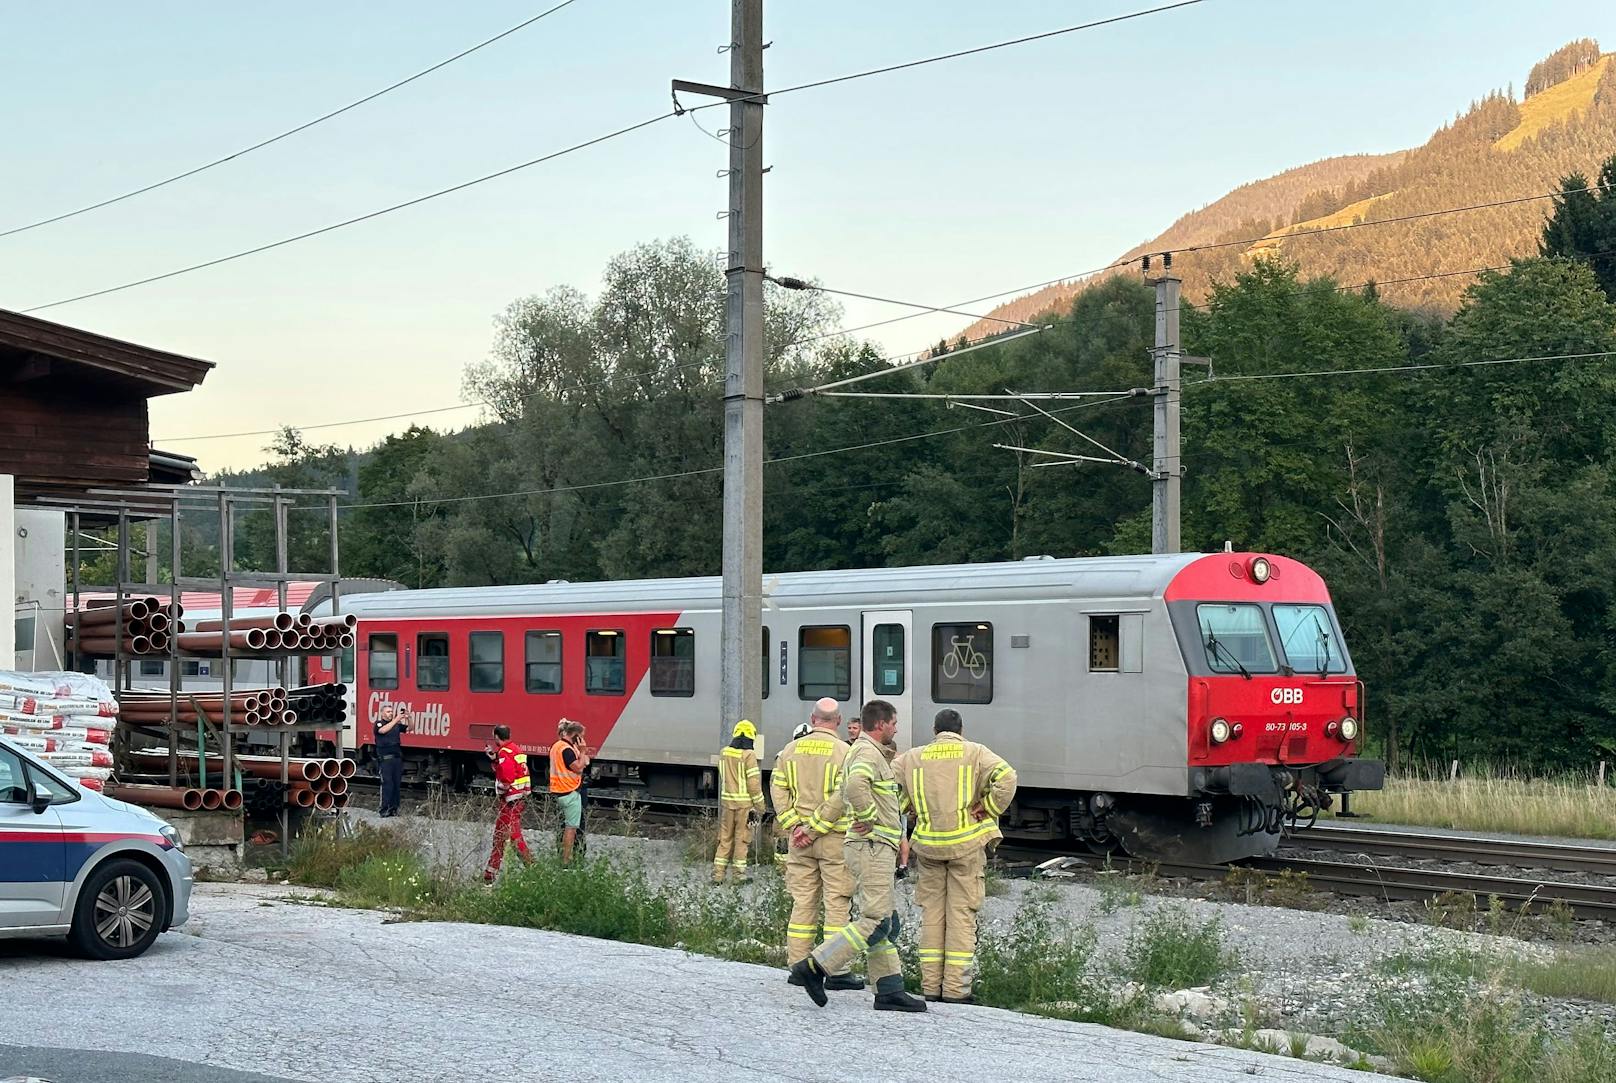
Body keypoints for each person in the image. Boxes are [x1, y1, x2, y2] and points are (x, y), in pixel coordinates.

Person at [791, 700, 926, 1013]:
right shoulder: (867, 753)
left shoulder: (862, 751)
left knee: (886, 923)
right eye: (894, 723)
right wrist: (868, 815)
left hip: (873, 845)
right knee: (876, 919)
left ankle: (889, 989)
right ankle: (814, 967)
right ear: (880, 724)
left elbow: (839, 797)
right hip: (872, 845)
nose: (896, 728)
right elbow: (853, 787)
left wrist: (812, 829)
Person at [893, 708, 1018, 1004]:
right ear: (960, 730)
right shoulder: (975, 752)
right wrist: (988, 806)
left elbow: (887, 784)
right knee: (961, 915)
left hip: (928, 846)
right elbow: (1007, 777)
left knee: (933, 916)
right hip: (965, 845)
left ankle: (930, 986)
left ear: (934, 730)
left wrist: (907, 805)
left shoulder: (913, 757)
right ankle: (955, 991)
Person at [770, 698, 862, 993]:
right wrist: (816, 828)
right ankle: (834, 970)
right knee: (837, 904)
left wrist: (796, 826)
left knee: (803, 902)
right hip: (834, 838)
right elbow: (843, 794)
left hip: (799, 842)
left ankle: (798, 966)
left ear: (812, 719)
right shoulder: (845, 752)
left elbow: (778, 789)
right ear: (837, 721)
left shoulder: (789, 750)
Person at [713, 719, 765, 883]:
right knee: (742, 839)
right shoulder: (749, 755)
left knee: (725, 838)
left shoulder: (724, 753)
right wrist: (760, 806)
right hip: (745, 806)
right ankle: (738, 876)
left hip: (727, 804)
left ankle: (718, 875)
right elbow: (754, 784)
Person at [483, 725, 533, 883]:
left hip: (510, 800)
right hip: (519, 799)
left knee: (508, 836)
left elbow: (507, 776)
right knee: (506, 835)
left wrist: (501, 788)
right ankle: (490, 873)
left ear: (497, 737)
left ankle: (532, 867)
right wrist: (494, 759)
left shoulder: (504, 752)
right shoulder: (515, 749)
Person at [550, 719, 590, 864]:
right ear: (576, 735)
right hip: (569, 792)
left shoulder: (557, 746)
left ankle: (563, 856)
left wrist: (581, 753)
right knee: (571, 828)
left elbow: (585, 762)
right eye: (582, 736)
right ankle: (566, 861)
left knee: (562, 827)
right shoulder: (567, 750)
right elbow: (579, 767)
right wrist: (583, 751)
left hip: (558, 791)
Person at [373, 702, 407, 818]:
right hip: (385, 760)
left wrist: (409, 718)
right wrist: (396, 719)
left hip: (396, 759)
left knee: (396, 784)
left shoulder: (396, 725)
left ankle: (394, 808)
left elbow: (410, 728)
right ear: (382, 713)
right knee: (387, 784)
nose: (390, 713)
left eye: (391, 712)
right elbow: (382, 731)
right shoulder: (378, 724)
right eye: (388, 712)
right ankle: (384, 809)